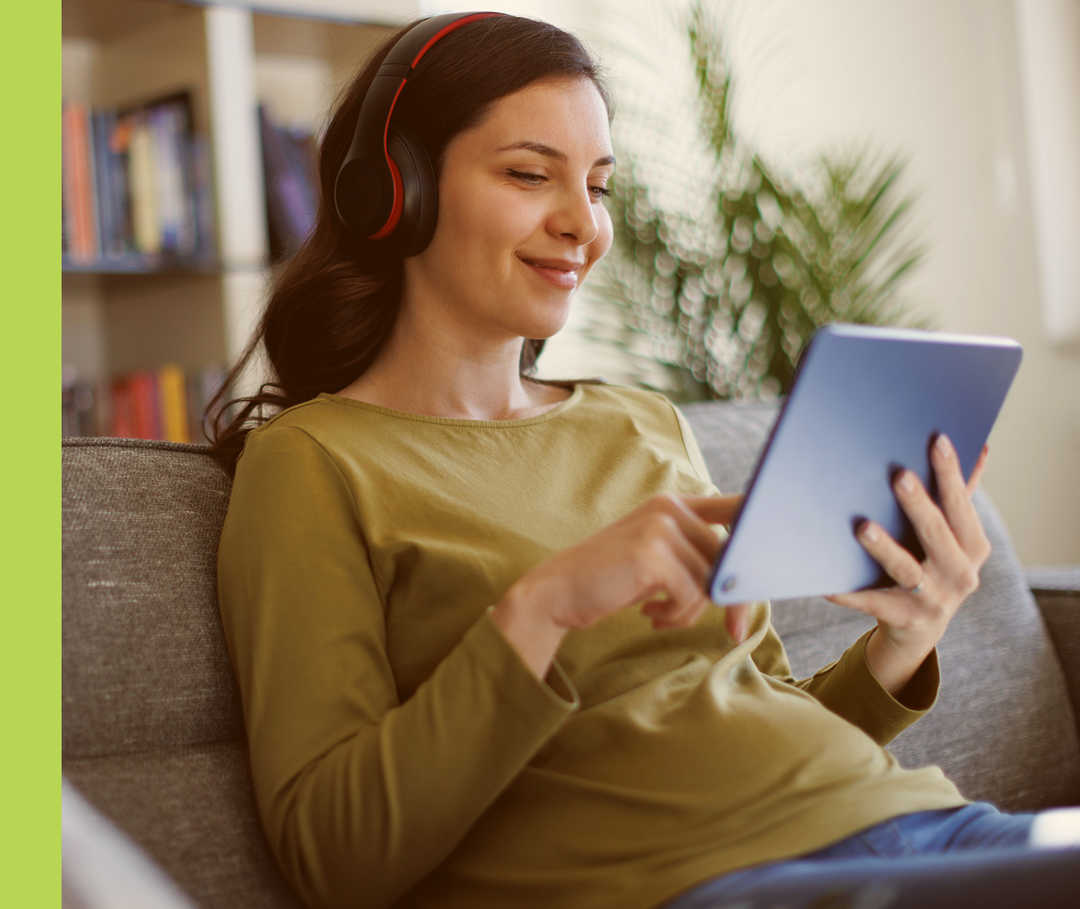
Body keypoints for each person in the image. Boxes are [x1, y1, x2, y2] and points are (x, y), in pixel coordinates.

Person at [210, 12, 1079, 909]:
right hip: (690, 884)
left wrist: (904, 638)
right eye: (528, 174)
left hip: (919, 821)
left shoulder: (642, 422)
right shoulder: (312, 464)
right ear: (397, 191)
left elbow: (760, 709)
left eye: (599, 185)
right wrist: (545, 607)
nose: (581, 224)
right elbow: (333, 855)